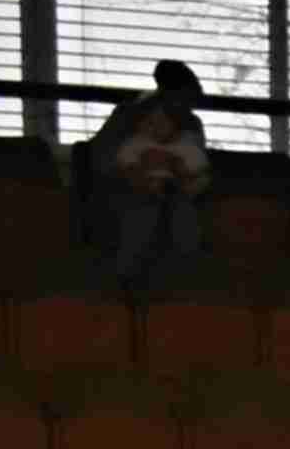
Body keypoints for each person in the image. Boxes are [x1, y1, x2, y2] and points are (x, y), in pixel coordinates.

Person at [73, 61, 213, 286]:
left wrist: (181, 178)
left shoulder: (191, 125)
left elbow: (198, 170)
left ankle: (181, 285)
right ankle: (129, 284)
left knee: (182, 218)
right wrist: (138, 174)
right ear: (164, 93)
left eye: (189, 103)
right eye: (181, 100)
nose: (185, 110)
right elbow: (102, 163)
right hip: (127, 191)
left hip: (174, 193)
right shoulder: (129, 116)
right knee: (144, 215)